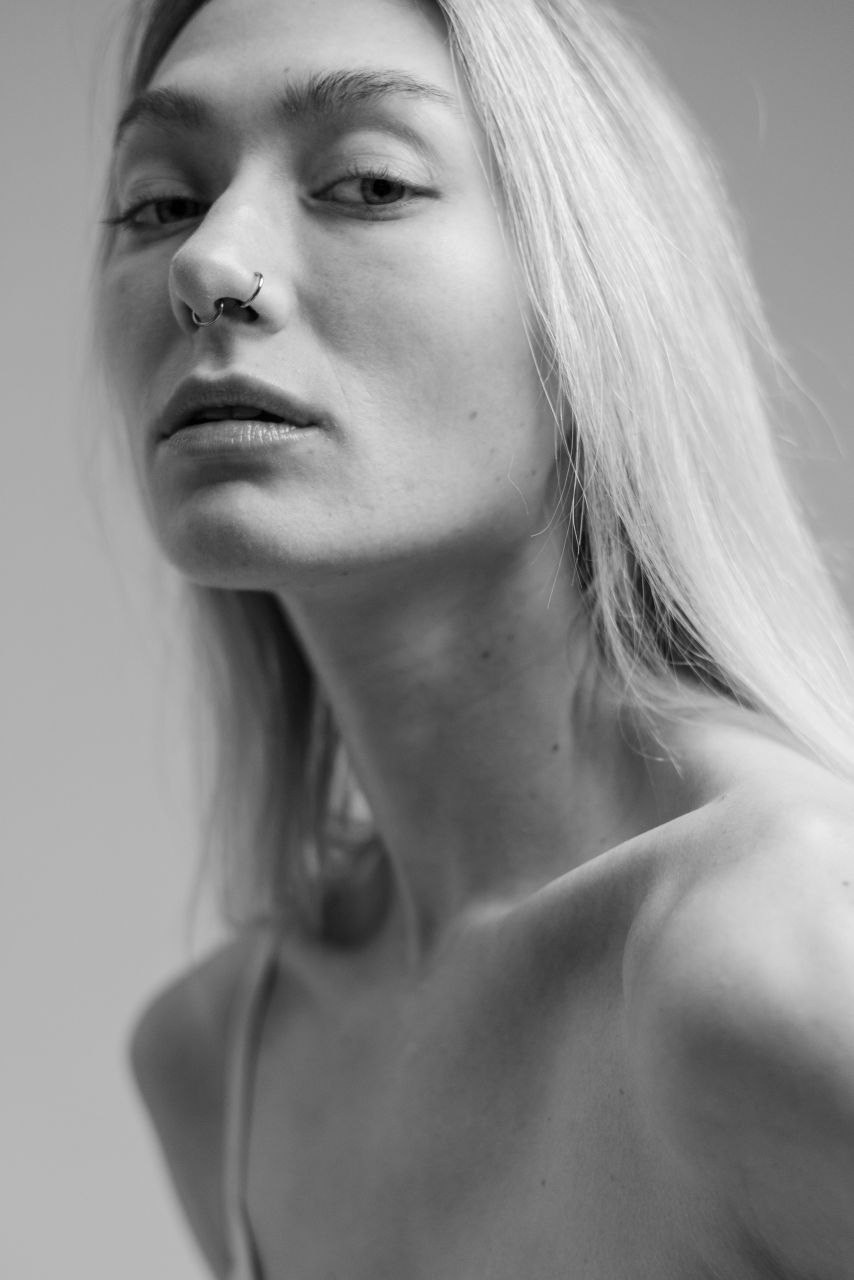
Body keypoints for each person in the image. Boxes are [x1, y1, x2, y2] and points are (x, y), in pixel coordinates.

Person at [97, 0, 854, 1276]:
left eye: (367, 182)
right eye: (160, 202)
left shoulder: (781, 943)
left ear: (589, 287)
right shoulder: (217, 1065)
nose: (206, 261)